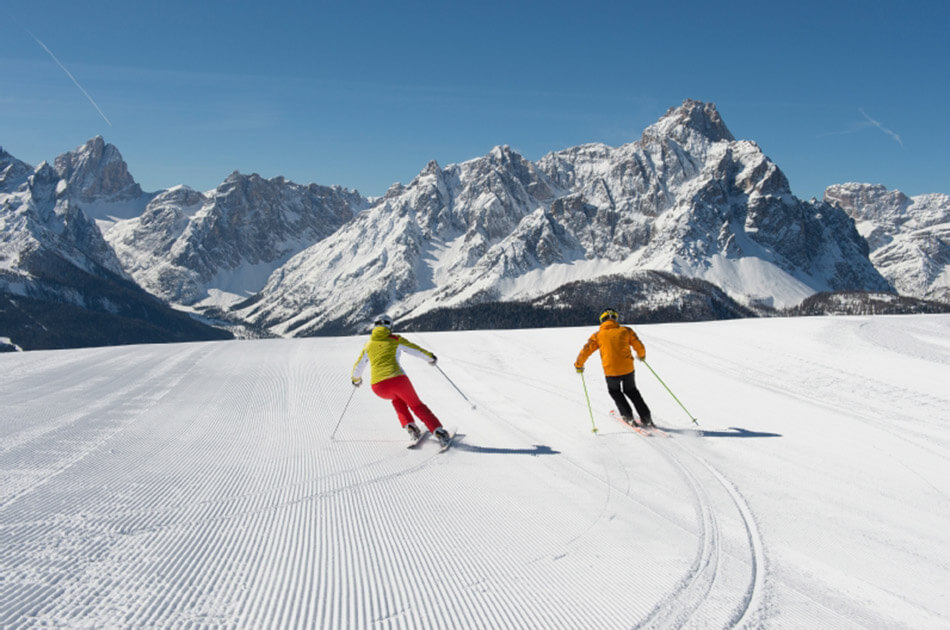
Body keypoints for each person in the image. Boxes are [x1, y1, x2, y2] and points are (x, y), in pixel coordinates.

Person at [351, 314, 452, 446]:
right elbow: (416, 350)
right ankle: (439, 432)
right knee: (416, 405)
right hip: (398, 380)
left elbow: (358, 366)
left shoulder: (368, 344)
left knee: (397, 400)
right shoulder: (395, 339)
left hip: (378, 387)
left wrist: (356, 380)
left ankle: (410, 426)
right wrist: (430, 358)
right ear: (389, 326)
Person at [574, 308, 654, 427]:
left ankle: (628, 417)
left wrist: (579, 365)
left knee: (615, 392)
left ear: (602, 320)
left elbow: (586, 351)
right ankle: (646, 417)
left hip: (611, 371)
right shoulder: (626, 330)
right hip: (628, 369)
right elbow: (639, 345)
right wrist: (641, 356)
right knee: (632, 391)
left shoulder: (598, 335)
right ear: (615, 319)